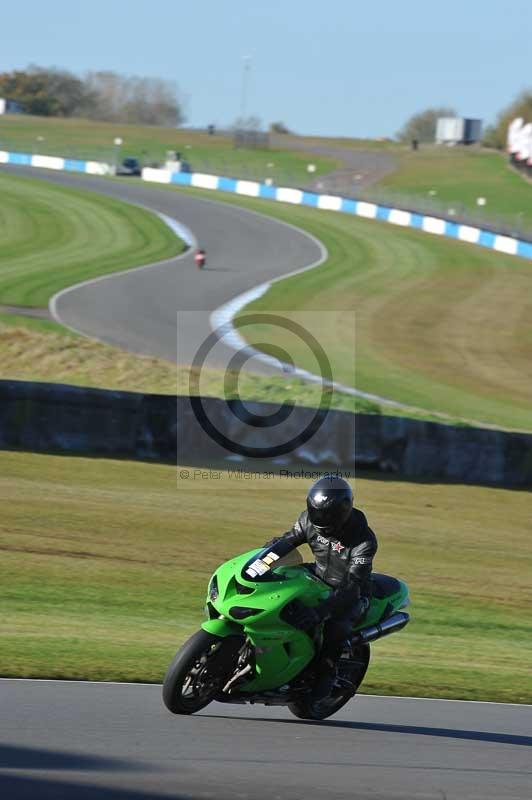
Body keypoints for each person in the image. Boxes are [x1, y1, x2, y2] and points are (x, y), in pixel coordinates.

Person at [265, 476, 378, 700]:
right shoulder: (308, 520)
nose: (320, 519)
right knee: (279, 587)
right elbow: (285, 543)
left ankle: (327, 675)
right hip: (317, 576)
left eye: (327, 515)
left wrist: (320, 612)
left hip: (350, 592)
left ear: (343, 512)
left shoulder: (363, 541)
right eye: (316, 512)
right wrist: (260, 563)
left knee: (334, 629)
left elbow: (352, 585)